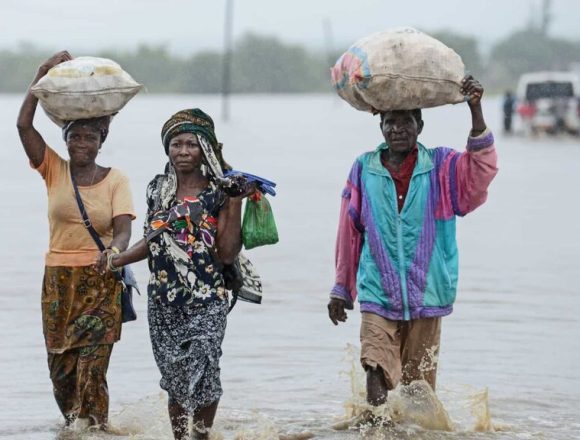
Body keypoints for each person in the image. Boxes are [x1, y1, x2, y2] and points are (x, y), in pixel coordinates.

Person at [327, 75, 498, 418]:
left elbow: (480, 171)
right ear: (381, 128)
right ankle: (375, 428)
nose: (397, 130)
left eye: (406, 122)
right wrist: (342, 289)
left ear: (420, 126)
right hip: (378, 292)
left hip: (428, 294)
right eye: (390, 123)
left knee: (417, 392)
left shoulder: (442, 167)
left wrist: (475, 108)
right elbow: (350, 231)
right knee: (374, 367)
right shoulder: (364, 169)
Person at [102, 109, 252, 440]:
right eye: (175, 144)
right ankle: (181, 437)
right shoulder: (157, 190)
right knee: (175, 376)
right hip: (163, 299)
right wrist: (117, 260)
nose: (182, 151)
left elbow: (227, 253)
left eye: (191, 144)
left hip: (208, 297)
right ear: (167, 149)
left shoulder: (220, 191)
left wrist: (236, 203)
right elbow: (152, 242)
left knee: (204, 365)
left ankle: (200, 435)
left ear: (205, 149)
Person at [16, 51, 136, 429]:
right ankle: (76, 429)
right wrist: (40, 75)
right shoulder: (54, 169)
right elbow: (23, 127)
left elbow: (123, 229)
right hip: (57, 283)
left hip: (101, 281)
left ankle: (97, 430)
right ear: (65, 140)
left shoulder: (116, 178)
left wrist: (116, 252)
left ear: (102, 141)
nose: (81, 143)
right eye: (75, 136)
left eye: (89, 136)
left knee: (92, 369)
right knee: (61, 369)